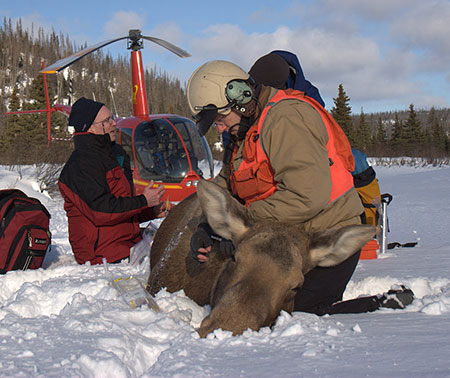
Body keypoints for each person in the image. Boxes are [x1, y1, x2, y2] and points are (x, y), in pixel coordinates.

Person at [186, 60, 414, 314]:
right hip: (283, 237)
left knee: (292, 311)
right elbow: (228, 182)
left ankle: (381, 306)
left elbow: (306, 196)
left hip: (325, 237)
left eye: (220, 117)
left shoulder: (286, 119)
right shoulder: (245, 131)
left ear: (241, 96)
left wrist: (242, 222)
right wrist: (206, 225)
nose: (219, 127)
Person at [58, 97, 167, 265]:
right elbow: (101, 212)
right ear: (89, 129)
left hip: (127, 244)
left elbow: (121, 208)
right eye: (107, 120)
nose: (114, 123)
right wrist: (143, 201)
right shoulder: (80, 166)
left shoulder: (115, 155)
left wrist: (150, 211)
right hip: (102, 256)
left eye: (112, 118)